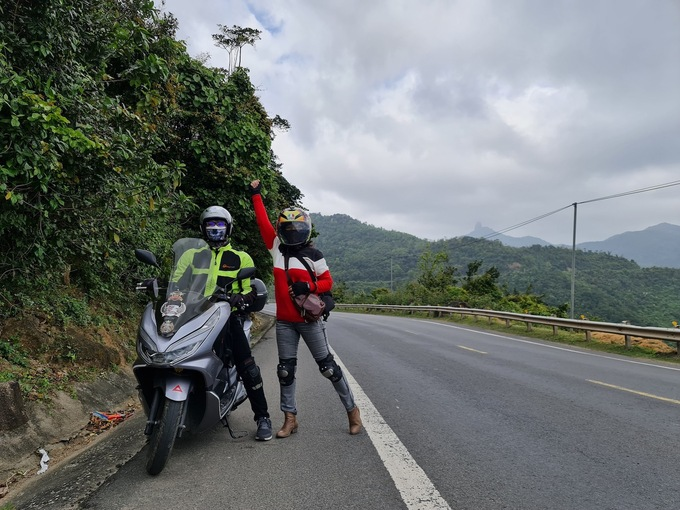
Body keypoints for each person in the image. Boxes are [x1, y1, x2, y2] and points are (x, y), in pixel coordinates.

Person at [249, 180, 362, 437]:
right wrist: (256, 195)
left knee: (328, 368)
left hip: (309, 320)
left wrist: (307, 286)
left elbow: (327, 282)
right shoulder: (276, 249)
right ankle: (290, 418)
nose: (292, 231)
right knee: (285, 371)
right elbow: (262, 223)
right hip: (285, 322)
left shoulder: (315, 255)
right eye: (288, 227)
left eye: (297, 227)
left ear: (306, 229)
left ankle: (352, 411)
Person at [170, 205, 273, 441]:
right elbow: (175, 282)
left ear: (228, 229)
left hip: (226, 317)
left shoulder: (240, 258)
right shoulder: (191, 255)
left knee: (247, 364)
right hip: (191, 315)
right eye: (210, 225)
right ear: (203, 229)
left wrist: (240, 298)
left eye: (219, 226)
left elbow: (250, 291)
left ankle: (263, 417)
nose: (215, 230)